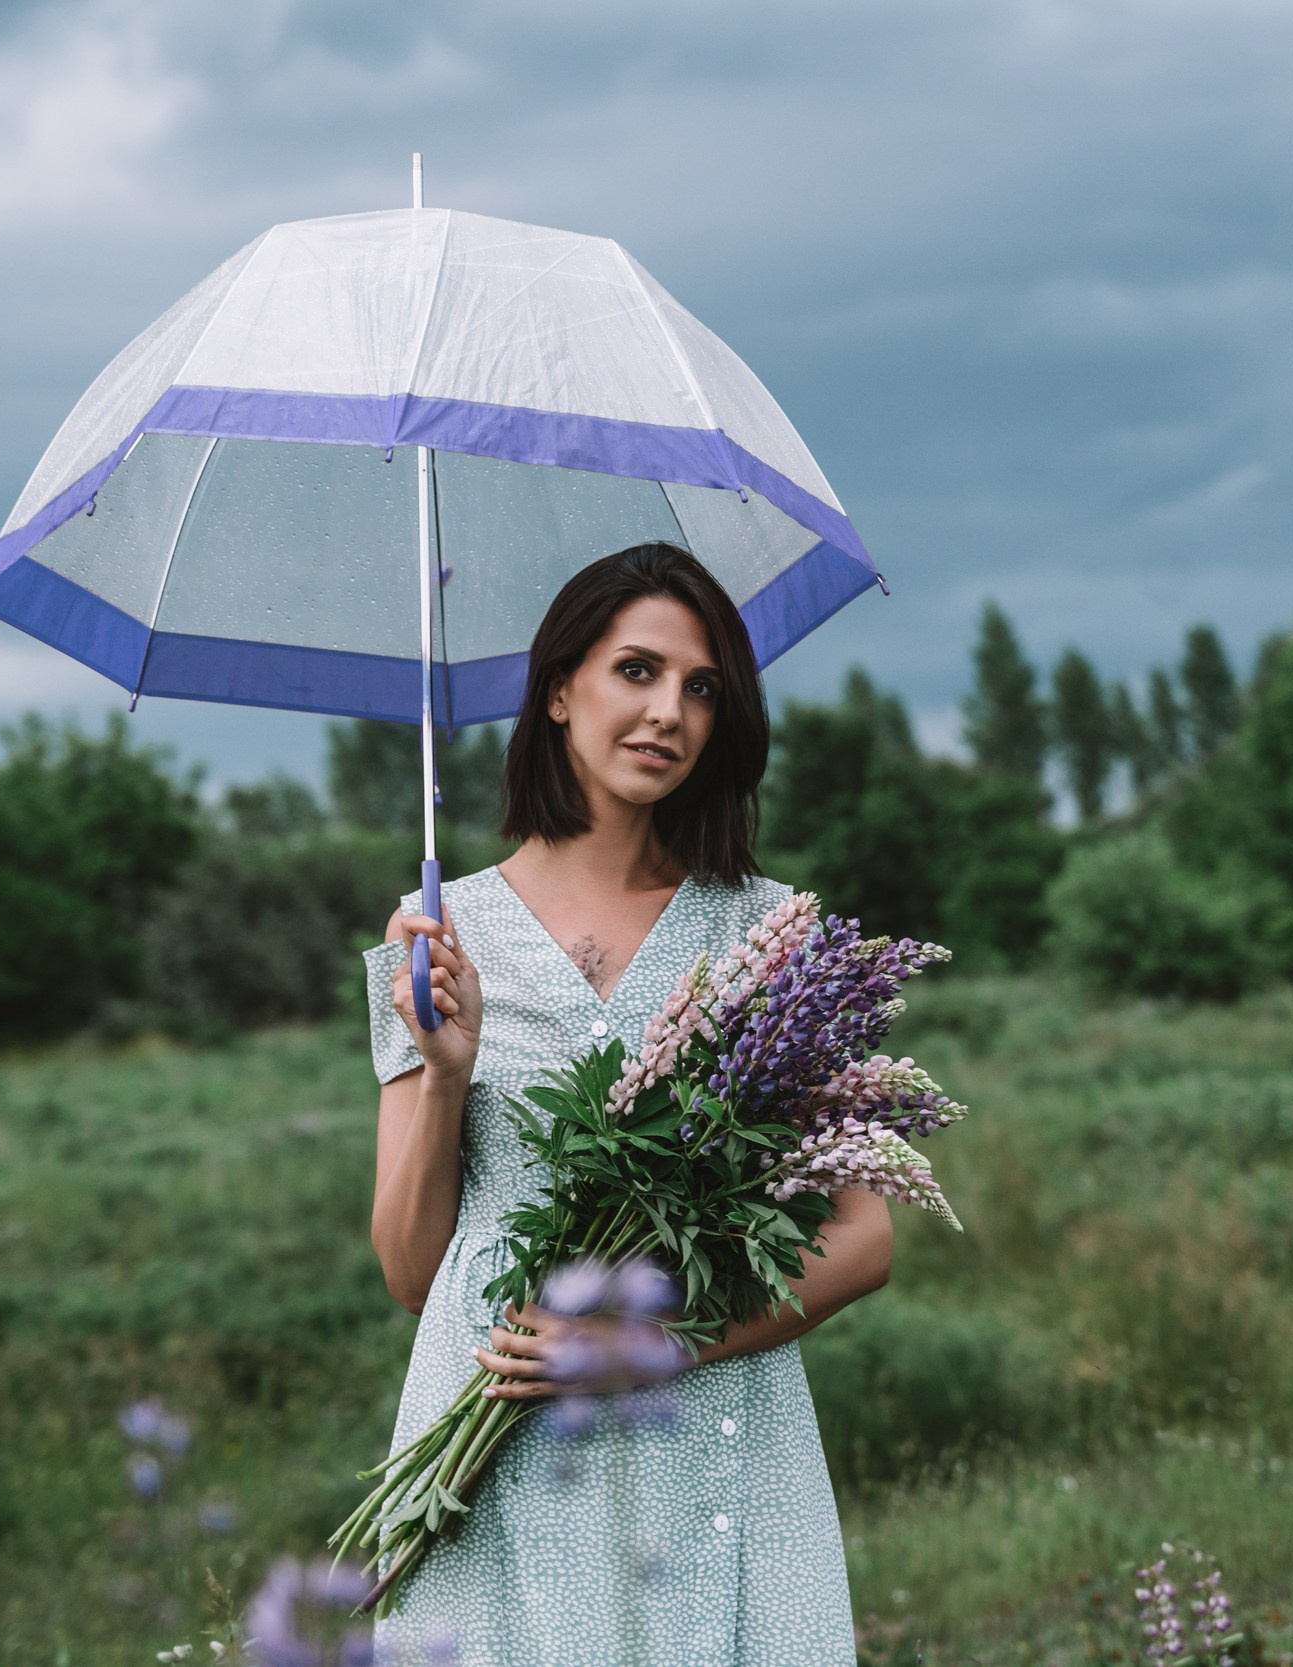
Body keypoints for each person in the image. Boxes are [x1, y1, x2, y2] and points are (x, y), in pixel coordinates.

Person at [364, 542, 887, 1665]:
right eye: (636, 670)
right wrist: (449, 1068)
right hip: (502, 1434)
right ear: (559, 689)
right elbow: (414, 1273)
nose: (669, 713)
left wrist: (648, 1345)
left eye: (701, 687)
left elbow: (863, 1238)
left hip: (713, 1428)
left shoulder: (773, 934)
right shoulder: (435, 936)